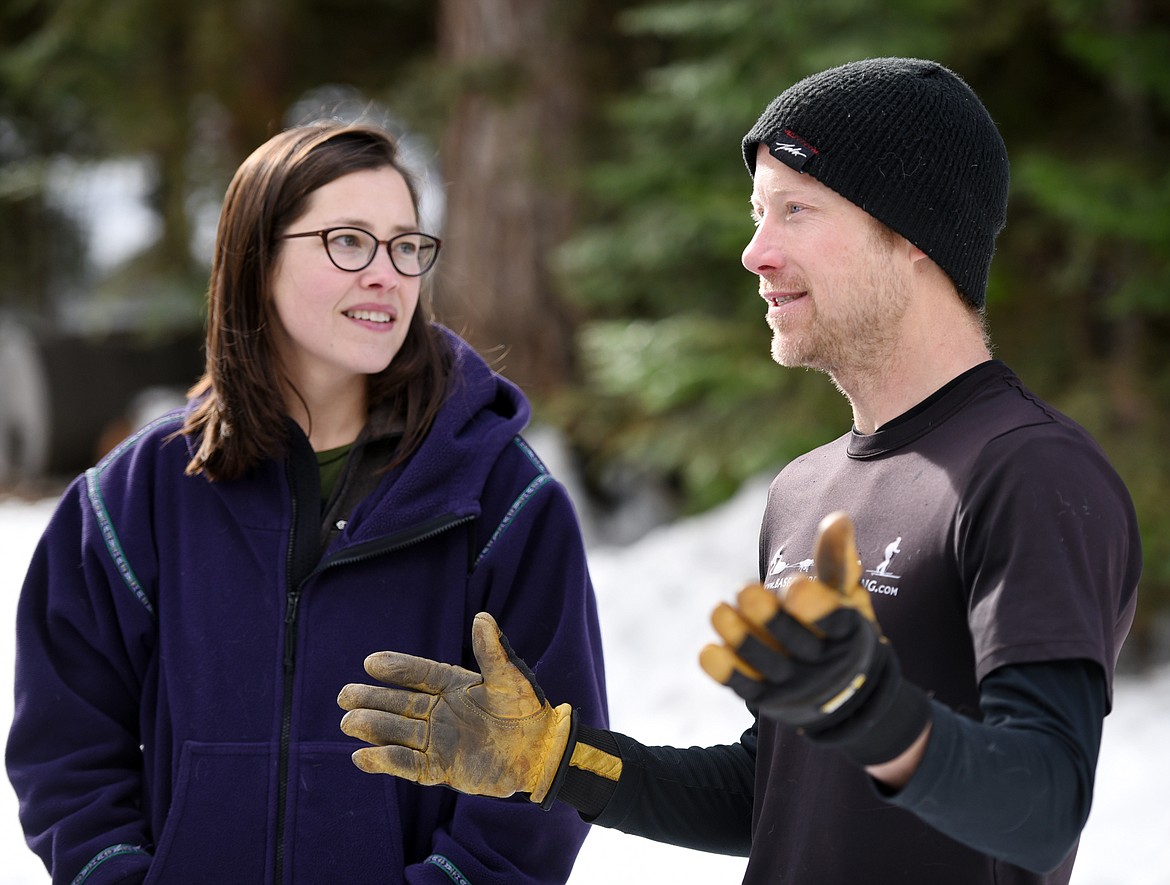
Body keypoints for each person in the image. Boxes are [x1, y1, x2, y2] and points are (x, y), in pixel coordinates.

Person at [336, 58, 1140, 885]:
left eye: (796, 210)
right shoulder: (804, 493)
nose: (755, 252)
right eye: (759, 214)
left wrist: (877, 713)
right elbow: (770, 793)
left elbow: (1044, 805)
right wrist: (551, 757)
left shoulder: (1032, 472)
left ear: (912, 236)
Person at [6, 120, 608, 885]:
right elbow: (63, 747)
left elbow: (549, 774)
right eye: (349, 241)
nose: (386, 273)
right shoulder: (130, 501)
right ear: (257, 259)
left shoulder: (502, 501)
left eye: (406, 245)